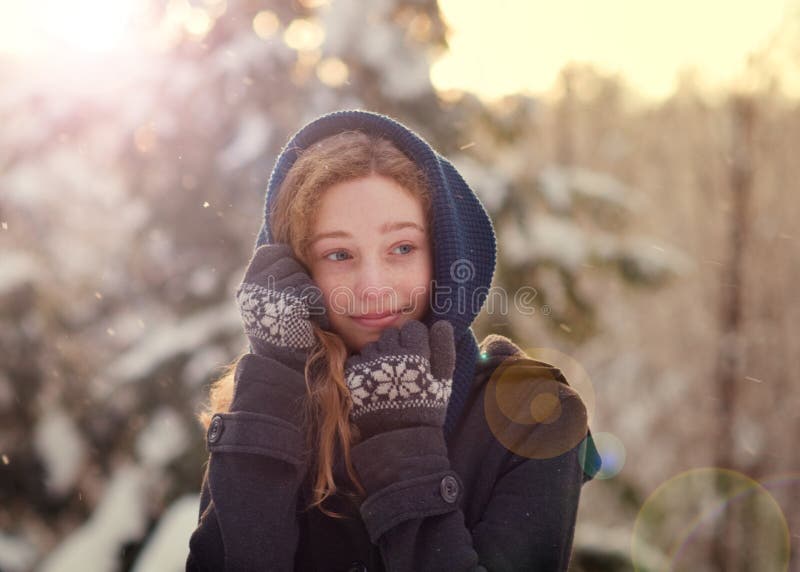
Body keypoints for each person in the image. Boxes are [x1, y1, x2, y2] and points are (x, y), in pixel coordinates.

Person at [185, 110, 601, 571]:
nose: (373, 287)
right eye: (338, 254)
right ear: (298, 269)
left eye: (402, 248)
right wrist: (274, 384)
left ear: (442, 254)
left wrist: (404, 449)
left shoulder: (533, 415)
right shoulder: (270, 405)